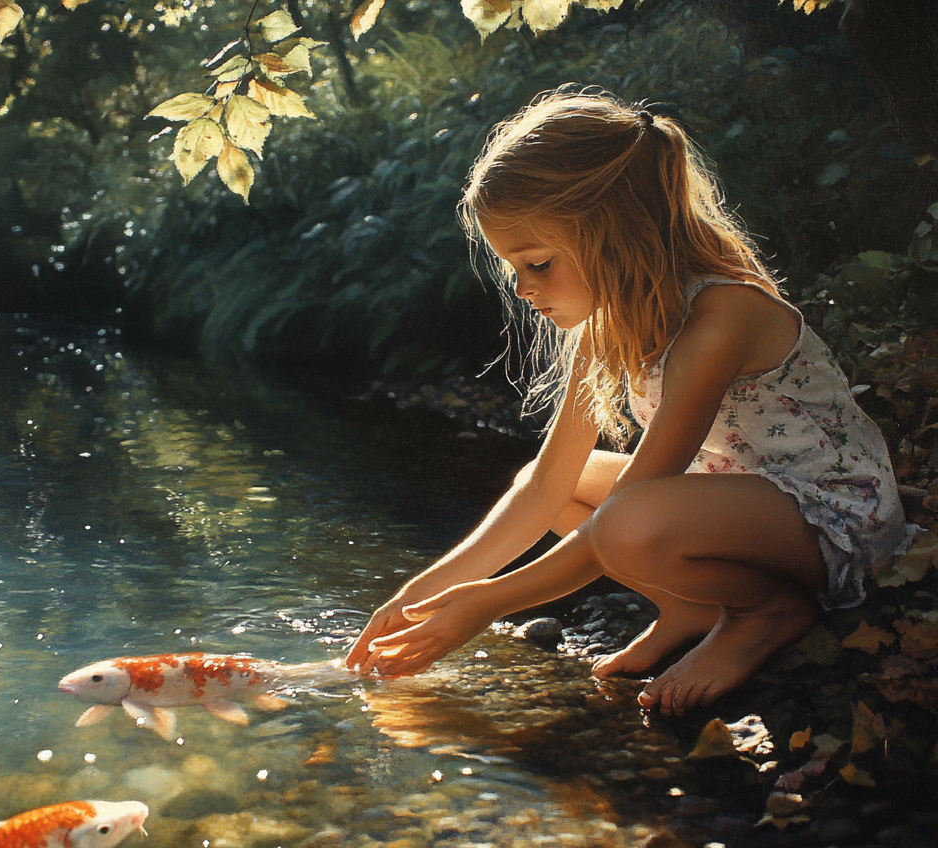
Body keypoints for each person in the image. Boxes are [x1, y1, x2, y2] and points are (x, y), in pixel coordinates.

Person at [346, 87, 915, 716]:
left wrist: (487, 604)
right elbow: (542, 494)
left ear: (616, 233)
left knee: (623, 521)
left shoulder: (721, 318)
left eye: (536, 262)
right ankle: (691, 607)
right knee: (555, 482)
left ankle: (767, 610)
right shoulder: (609, 325)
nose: (521, 286)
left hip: (836, 520)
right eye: (513, 267)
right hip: (736, 501)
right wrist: (417, 598)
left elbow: (631, 505)